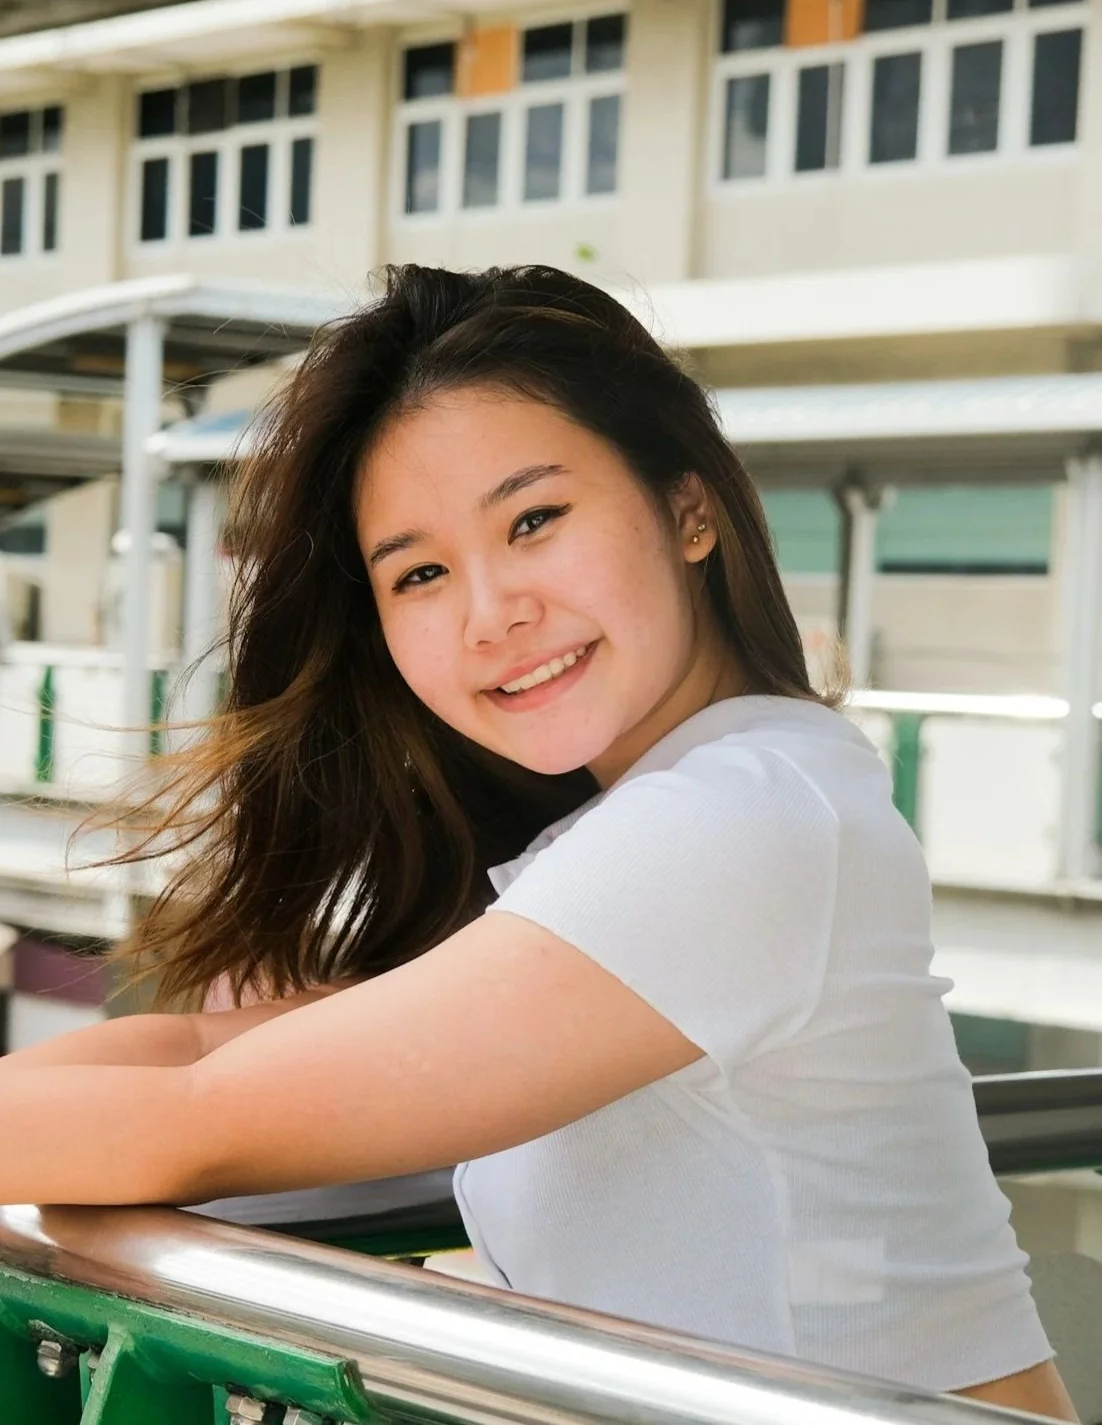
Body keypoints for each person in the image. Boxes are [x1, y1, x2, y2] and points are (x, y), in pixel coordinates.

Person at [0, 266, 1074, 1417]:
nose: (490, 614)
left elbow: (193, 1121)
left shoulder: (743, 818)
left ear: (688, 509)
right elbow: (193, 1057)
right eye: (420, 573)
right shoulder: (643, 824)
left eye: (534, 520)